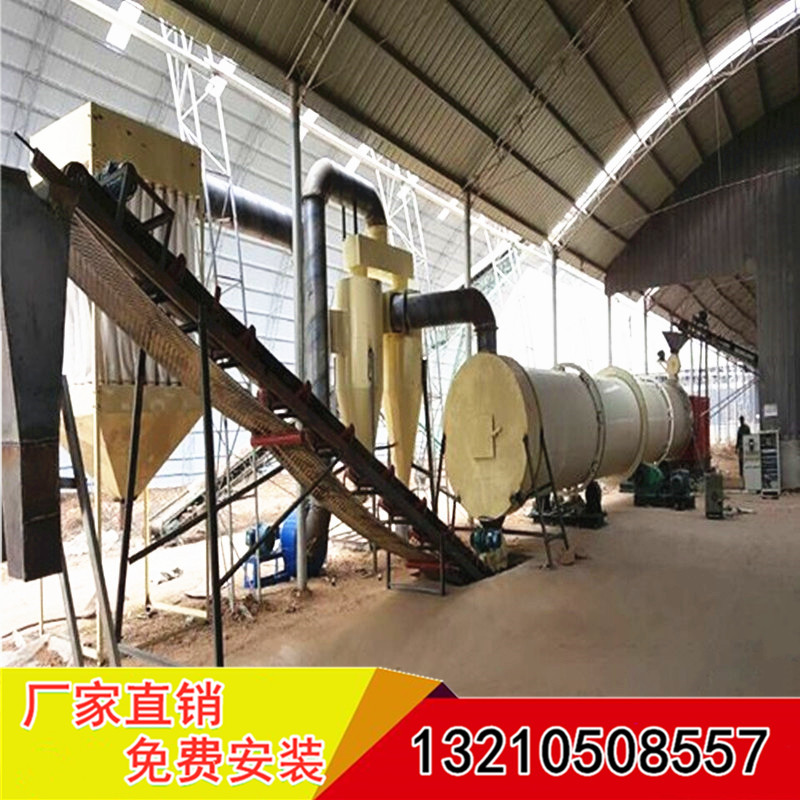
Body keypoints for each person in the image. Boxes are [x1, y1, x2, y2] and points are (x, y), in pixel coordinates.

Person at [736, 415, 751, 482]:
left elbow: (738, 438)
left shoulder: (741, 429)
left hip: (743, 446)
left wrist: (737, 447)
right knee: (743, 460)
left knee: (742, 460)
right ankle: (743, 472)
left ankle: (742, 472)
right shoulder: (746, 428)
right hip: (744, 446)